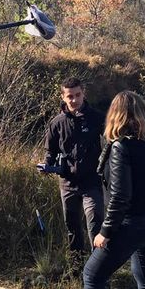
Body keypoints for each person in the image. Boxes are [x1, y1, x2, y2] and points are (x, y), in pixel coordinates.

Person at [83, 91, 145, 289]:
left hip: (132, 223)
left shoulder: (121, 147)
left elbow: (120, 196)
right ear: (144, 111)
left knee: (92, 275)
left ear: (115, 115)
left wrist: (105, 232)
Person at [38, 77, 105, 264]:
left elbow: (112, 141)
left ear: (83, 93)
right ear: (63, 97)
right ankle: (76, 267)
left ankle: (98, 269)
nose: (74, 100)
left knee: (95, 225)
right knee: (72, 226)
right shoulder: (57, 122)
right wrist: (47, 165)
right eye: (70, 96)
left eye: (77, 95)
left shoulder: (97, 118)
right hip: (67, 183)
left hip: (91, 182)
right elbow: (50, 150)